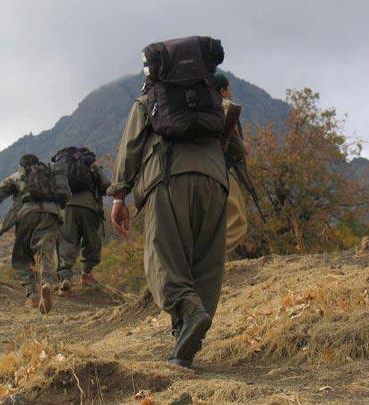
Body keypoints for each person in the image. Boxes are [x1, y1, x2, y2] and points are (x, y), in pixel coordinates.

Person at [109, 37, 228, 369]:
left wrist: (119, 195)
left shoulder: (150, 97)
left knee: (163, 256)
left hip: (168, 177)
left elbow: (130, 146)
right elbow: (232, 143)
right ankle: (185, 344)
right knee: (206, 262)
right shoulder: (211, 96)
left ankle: (188, 313)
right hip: (216, 182)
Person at [0, 154, 70, 314]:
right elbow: (65, 195)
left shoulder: (17, 177)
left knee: (21, 258)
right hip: (51, 214)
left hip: (27, 215)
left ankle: (32, 295)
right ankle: (47, 283)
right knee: (45, 251)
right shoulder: (50, 175)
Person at [52, 147, 110, 293]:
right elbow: (106, 184)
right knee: (91, 240)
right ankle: (86, 275)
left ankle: (65, 279)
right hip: (89, 207)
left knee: (66, 241)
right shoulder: (91, 164)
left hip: (67, 207)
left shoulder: (63, 167)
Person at [214, 73, 249, 254]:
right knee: (237, 221)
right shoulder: (225, 108)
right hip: (218, 170)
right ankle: (211, 261)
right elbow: (237, 150)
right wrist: (243, 145)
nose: (231, 92)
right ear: (222, 90)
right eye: (228, 88)